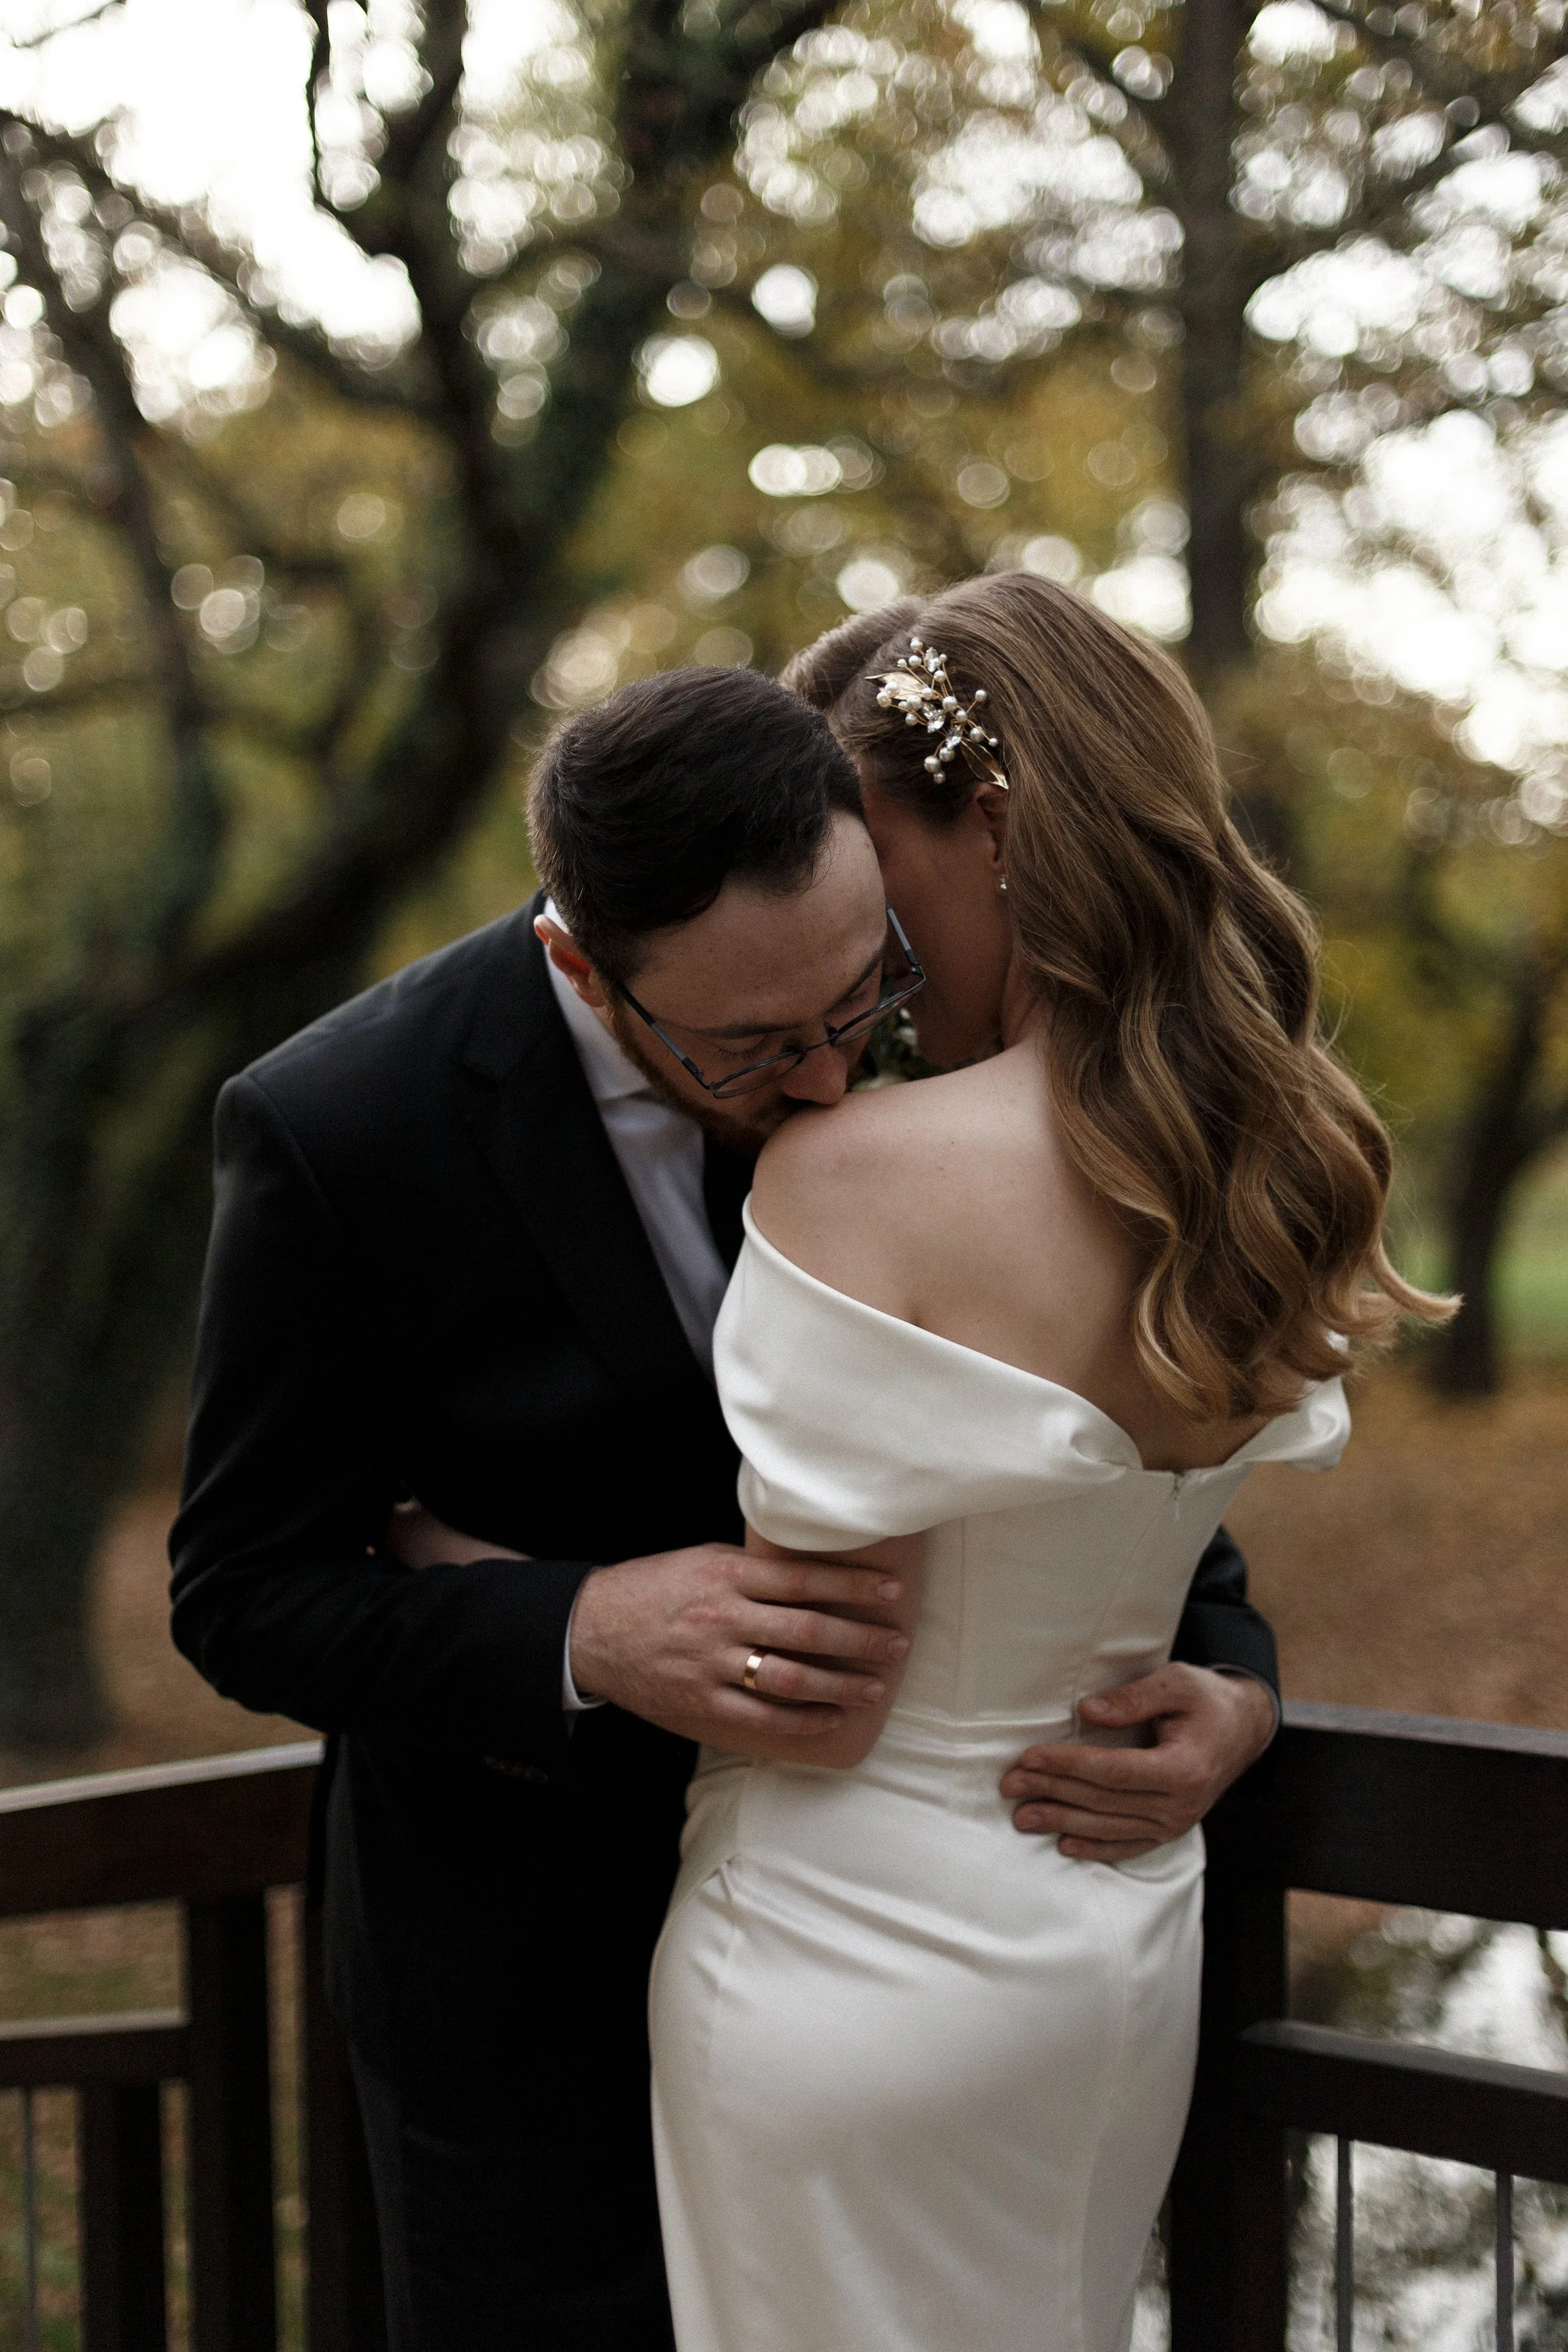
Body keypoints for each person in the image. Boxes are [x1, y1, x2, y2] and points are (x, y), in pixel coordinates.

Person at [170, 663, 1282, 2352]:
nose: (831, 1080)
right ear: (576, 959)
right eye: (755, 1046)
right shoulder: (339, 1129)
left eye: (857, 1003)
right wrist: (581, 1631)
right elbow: (241, 1584)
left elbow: (1077, 1435)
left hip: (900, 1978)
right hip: (527, 2001)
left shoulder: (920, 1042)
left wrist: (1227, 1668)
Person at [647, 576, 1453, 2352]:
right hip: (1101, 1932)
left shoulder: (850, 1175)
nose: (866, 949)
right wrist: (1232, 1699)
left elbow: (808, 1611)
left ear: (994, 822)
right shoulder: (1280, 1162)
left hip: (839, 1933)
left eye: (882, 870)